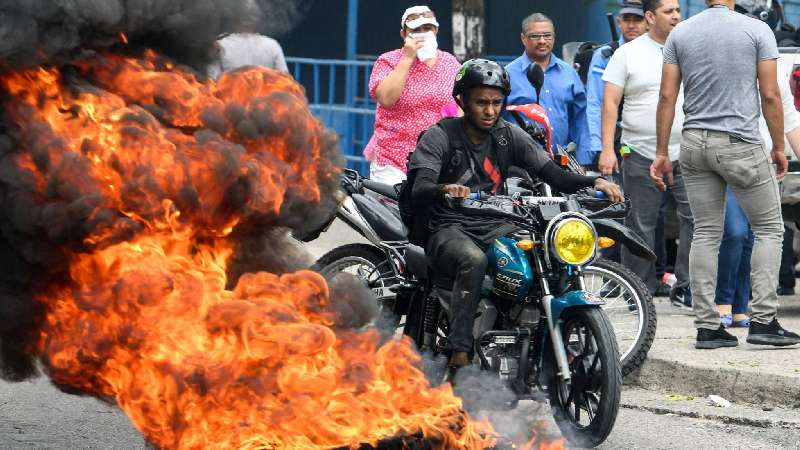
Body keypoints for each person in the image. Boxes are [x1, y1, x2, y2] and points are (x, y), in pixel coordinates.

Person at [407, 58, 623, 371]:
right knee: (474, 260)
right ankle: (460, 352)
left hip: (496, 224)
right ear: (462, 100)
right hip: (448, 226)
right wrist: (445, 189)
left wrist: (595, 180)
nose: (490, 110)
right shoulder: (441, 135)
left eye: (496, 103)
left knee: (539, 259)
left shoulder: (508, 136)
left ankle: (531, 343)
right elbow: (421, 186)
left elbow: (554, 175)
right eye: (481, 102)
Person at [652, 0, 800, 348]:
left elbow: (666, 97)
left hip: (693, 143)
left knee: (705, 232)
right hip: (740, 143)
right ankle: (763, 321)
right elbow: (770, 95)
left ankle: (707, 327)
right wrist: (779, 146)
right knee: (768, 228)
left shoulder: (682, 32)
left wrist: (661, 153)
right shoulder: (757, 30)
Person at [597, 0, 690, 301]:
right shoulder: (627, 53)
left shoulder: (689, 48)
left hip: (687, 151)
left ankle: (687, 288)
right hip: (638, 151)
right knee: (639, 223)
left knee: (696, 219)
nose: (676, 16)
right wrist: (607, 149)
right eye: (668, 11)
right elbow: (610, 103)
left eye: (678, 10)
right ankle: (638, 290)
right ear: (650, 17)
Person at [717, 69, 800, 327]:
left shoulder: (775, 81)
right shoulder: (727, 76)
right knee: (735, 232)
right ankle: (722, 301)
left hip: (763, 167)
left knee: (754, 237)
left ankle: (741, 306)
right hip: (727, 163)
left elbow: (792, 125)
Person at [363, 5, 461, 185]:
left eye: (427, 29)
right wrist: (407, 58)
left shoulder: (450, 62)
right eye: (416, 30)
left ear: (436, 30)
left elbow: (459, 105)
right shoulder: (388, 61)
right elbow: (386, 98)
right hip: (393, 158)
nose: (423, 34)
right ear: (404, 34)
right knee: (392, 210)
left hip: (436, 158)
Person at [505, 13, 591, 165]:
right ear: (523, 39)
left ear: (554, 37)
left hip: (562, 162)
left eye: (547, 35)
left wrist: (583, 160)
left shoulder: (569, 73)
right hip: (519, 162)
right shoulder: (507, 74)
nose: (542, 41)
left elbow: (581, 119)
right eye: (535, 36)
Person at [586, 0, 648, 171]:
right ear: (618, 22)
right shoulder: (605, 55)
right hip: (615, 141)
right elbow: (595, 103)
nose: (631, 25)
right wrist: (600, 148)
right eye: (627, 19)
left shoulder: (658, 53)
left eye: (637, 19)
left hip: (648, 143)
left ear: (648, 22)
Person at [207, 33, 289, 79]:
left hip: (230, 105)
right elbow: (285, 79)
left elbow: (213, 80)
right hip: (265, 105)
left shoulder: (220, 45)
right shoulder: (272, 45)